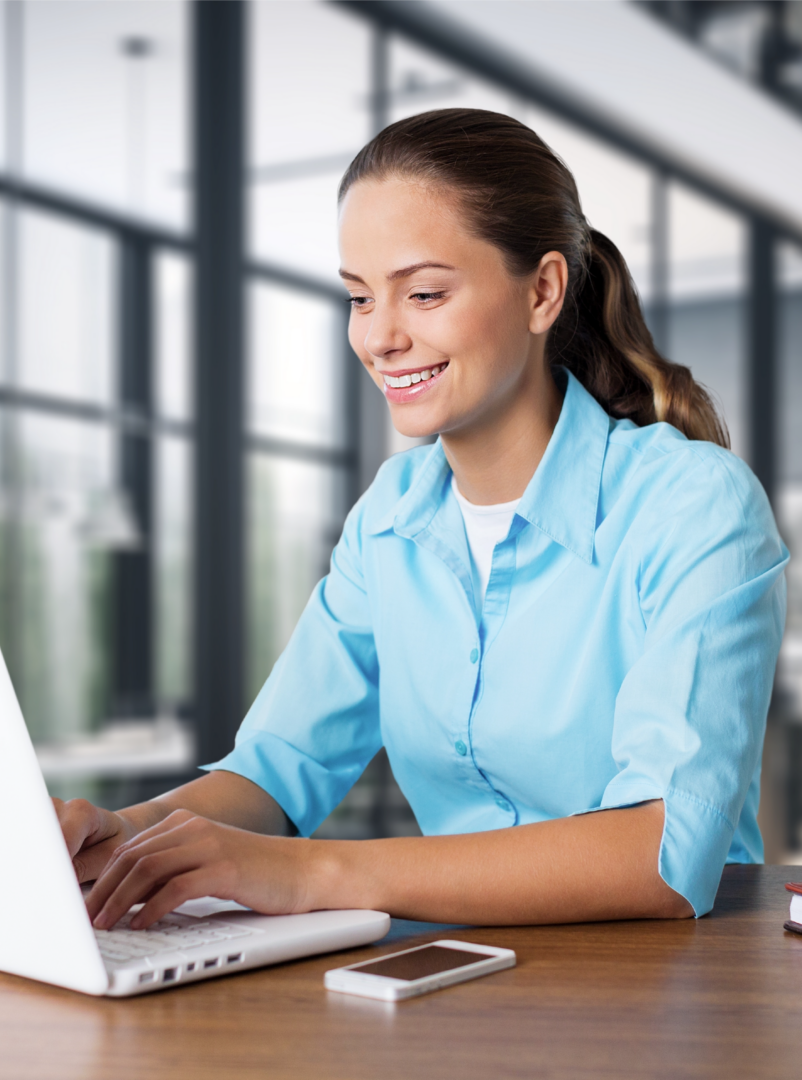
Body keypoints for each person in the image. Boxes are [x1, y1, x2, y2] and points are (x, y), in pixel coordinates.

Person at [56, 108, 788, 931]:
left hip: (670, 991)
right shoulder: (389, 517)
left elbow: (661, 854)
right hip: (458, 976)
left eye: (425, 293)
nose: (379, 336)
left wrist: (309, 872)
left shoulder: (691, 503)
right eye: (358, 297)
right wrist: (125, 837)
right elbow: (278, 767)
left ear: (543, 290)